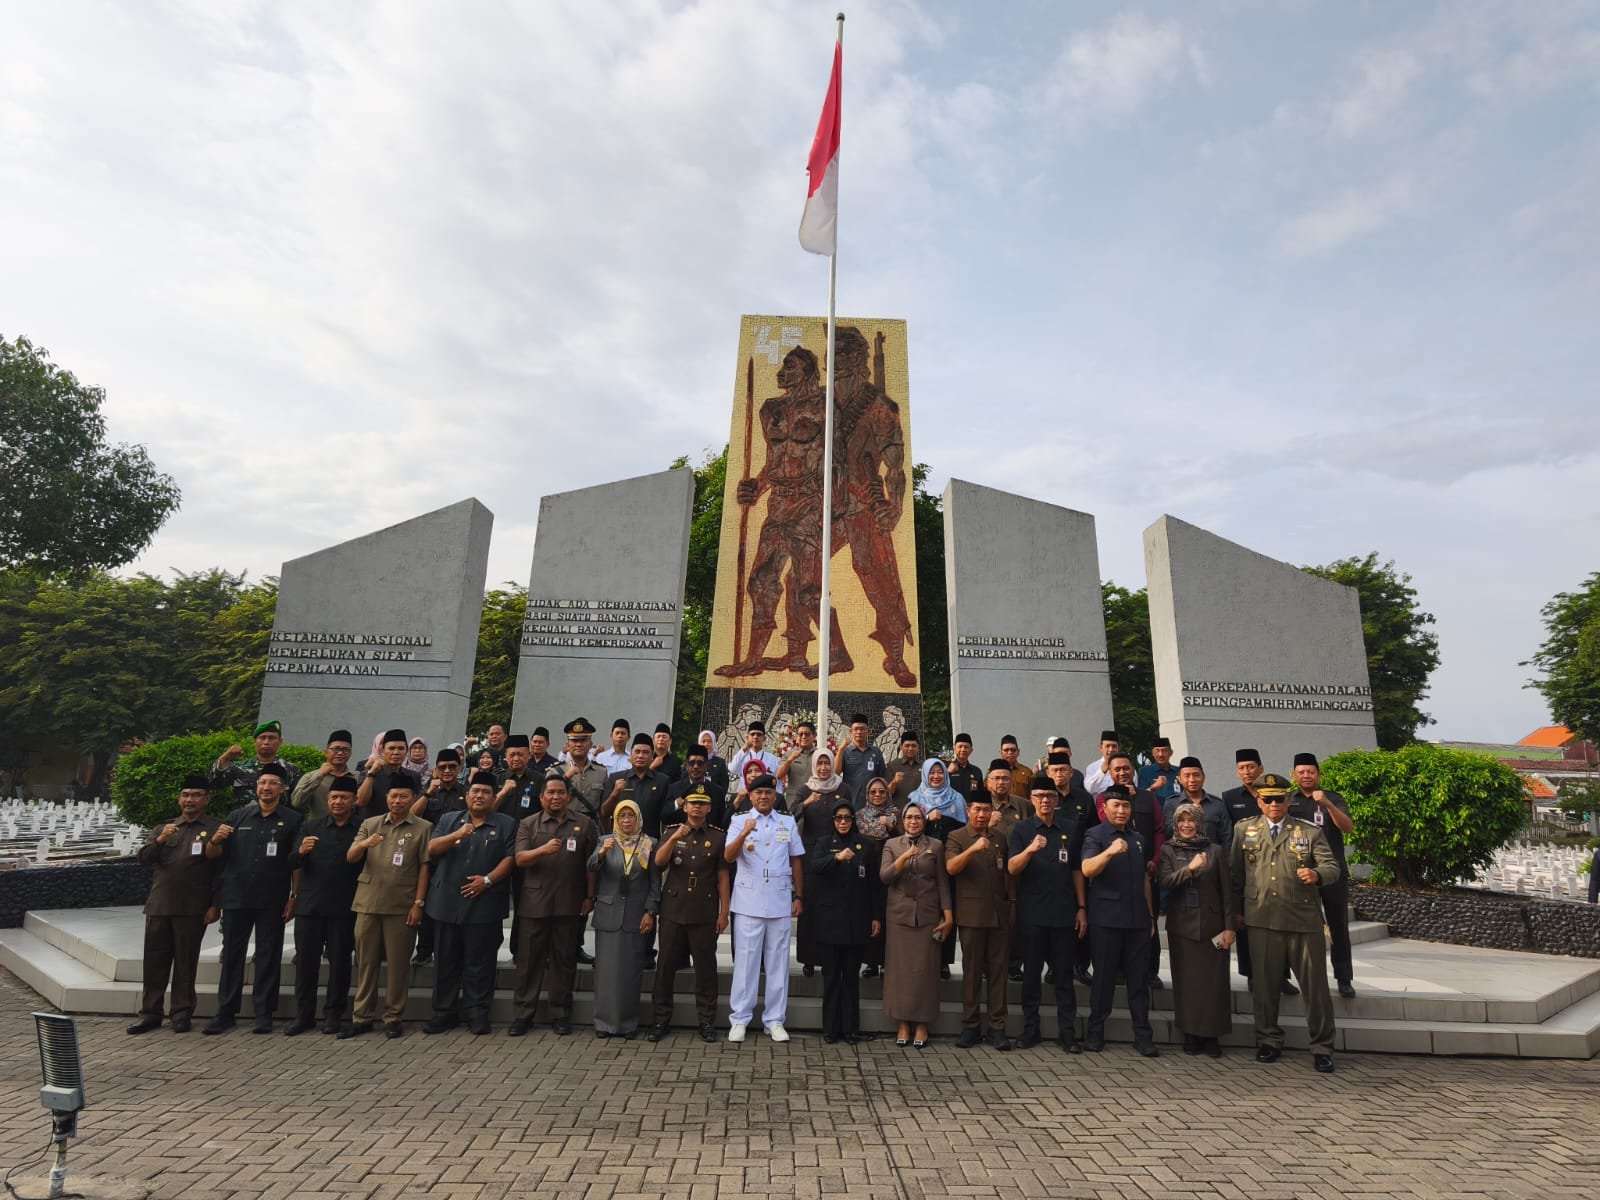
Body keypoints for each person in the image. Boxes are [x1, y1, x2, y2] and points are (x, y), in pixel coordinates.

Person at [1229, 773, 1340, 1073]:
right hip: (1261, 918)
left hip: (1302, 919)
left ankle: (1322, 1046)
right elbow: (1235, 875)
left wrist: (1318, 875)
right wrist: (1235, 913)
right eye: (1268, 799)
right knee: (1264, 987)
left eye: (1280, 798)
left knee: (1314, 987)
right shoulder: (1244, 829)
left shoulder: (1309, 831)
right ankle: (1268, 1040)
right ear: (1259, 801)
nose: (1274, 804)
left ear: (1288, 800)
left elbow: (1332, 866)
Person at [203, 762, 304, 1035]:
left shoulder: (293, 820)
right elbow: (214, 856)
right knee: (233, 954)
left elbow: (297, 862)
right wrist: (214, 840)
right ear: (256, 787)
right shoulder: (237, 817)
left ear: (282, 789)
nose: (266, 787)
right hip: (236, 896)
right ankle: (225, 1011)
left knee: (268, 954)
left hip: (272, 897)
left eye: (273, 783)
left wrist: (294, 895)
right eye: (262, 783)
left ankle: (263, 1012)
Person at [128, 774, 222, 1035]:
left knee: (185, 963)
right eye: (185, 794)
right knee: (154, 963)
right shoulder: (164, 828)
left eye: (196, 795)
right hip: (159, 905)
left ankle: (181, 1013)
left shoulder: (214, 829)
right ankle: (150, 1013)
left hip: (193, 908)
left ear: (206, 799)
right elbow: (143, 858)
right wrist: (159, 840)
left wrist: (216, 905)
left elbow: (221, 871)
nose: (189, 800)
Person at [423, 770, 515, 1035]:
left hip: (484, 904)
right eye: (475, 791)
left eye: (486, 792)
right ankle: (444, 1012)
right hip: (446, 903)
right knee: (446, 962)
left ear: (493, 796)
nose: (479, 796)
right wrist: (457, 835)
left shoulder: (506, 823)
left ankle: (477, 1012)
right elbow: (431, 849)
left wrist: (486, 881)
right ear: (466, 796)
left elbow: (510, 859)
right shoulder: (449, 820)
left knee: (480, 963)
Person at [341, 777, 432, 1038]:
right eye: (393, 796)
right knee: (366, 962)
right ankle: (362, 1016)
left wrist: (419, 903)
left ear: (413, 798)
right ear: (386, 798)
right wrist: (363, 844)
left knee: (398, 964)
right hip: (368, 902)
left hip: (402, 904)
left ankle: (393, 1017)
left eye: (404, 796)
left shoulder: (423, 827)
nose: (398, 801)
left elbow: (425, 866)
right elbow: (350, 857)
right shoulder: (370, 824)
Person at [508, 775, 597, 1036]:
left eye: (561, 792)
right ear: (542, 797)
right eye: (551, 793)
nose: (556, 797)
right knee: (529, 962)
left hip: (569, 902)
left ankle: (560, 1013)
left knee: (564, 960)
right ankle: (524, 1014)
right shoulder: (528, 824)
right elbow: (520, 859)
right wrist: (542, 850)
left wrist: (589, 896)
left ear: (568, 797)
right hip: (535, 902)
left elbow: (591, 866)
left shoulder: (584, 824)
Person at [724, 774, 804, 1042]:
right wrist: (745, 832)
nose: (763, 797)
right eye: (758, 793)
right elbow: (728, 855)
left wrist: (799, 895)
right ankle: (740, 1018)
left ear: (775, 795)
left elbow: (796, 860)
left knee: (778, 963)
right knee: (746, 962)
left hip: (779, 900)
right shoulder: (738, 821)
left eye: (768, 793)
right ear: (750, 796)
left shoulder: (787, 821)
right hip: (748, 900)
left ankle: (774, 1020)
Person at [1080, 785, 1158, 1056]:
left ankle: (1143, 1035)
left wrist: (1150, 917)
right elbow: (1087, 869)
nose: (1122, 810)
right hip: (1107, 920)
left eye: (1126, 806)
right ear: (1105, 808)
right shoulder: (1095, 834)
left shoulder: (1138, 839)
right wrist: (1110, 852)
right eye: (1117, 806)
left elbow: (1144, 880)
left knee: (1139, 981)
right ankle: (1095, 1032)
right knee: (1103, 980)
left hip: (1137, 919)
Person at [1008, 780, 1085, 1052]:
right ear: (1031, 799)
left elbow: (1076, 870)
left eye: (1050, 796)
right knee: (1031, 976)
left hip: (1064, 912)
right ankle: (1031, 1030)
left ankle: (1068, 1033)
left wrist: (1082, 908)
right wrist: (1030, 849)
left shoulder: (1070, 828)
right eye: (1039, 796)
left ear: (1056, 799)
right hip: (1033, 914)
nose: (1045, 801)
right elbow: (1013, 868)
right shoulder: (1022, 829)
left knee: (1064, 975)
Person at [648, 785, 729, 1043]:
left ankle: (706, 1020)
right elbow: (659, 863)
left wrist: (724, 911)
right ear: (684, 806)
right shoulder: (671, 832)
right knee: (665, 968)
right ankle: (661, 1020)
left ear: (709, 808)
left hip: (704, 911)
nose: (697, 807)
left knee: (706, 969)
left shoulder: (718, 837)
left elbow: (722, 877)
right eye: (692, 803)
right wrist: (673, 838)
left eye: (702, 803)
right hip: (673, 909)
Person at [283, 774, 363, 1036]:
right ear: (327, 800)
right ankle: (303, 1015)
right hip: (310, 906)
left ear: (354, 800)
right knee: (306, 963)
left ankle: (333, 1015)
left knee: (340, 964)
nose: (338, 802)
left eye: (344, 797)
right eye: (334, 797)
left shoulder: (361, 829)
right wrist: (302, 852)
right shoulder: (311, 827)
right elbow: (292, 862)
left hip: (344, 907)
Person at [1158, 802, 1235, 1057]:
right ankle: (1190, 1034)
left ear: (1200, 823)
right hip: (1182, 927)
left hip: (1212, 927)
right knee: (1187, 983)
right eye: (1182, 821)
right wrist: (1189, 870)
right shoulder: (1169, 850)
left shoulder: (1215, 851)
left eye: (1192, 821)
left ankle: (1212, 1035)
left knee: (1214, 983)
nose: (1187, 825)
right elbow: (1166, 882)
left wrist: (1229, 927)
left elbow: (1227, 892)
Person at [807, 800, 881, 1043]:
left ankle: (851, 1030)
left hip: (856, 921)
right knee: (831, 979)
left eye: (847, 818)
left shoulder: (866, 845)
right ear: (832, 820)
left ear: (853, 820)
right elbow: (815, 867)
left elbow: (873, 886)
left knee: (851, 979)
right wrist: (837, 858)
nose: (842, 822)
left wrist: (875, 916)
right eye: (838, 818)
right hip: (830, 922)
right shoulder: (823, 843)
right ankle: (830, 1029)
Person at [880, 802, 953, 1047]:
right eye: (909, 817)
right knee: (899, 972)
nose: (913, 821)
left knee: (925, 971)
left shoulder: (936, 846)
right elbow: (885, 877)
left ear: (925, 820)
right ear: (902, 820)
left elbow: (943, 882)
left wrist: (948, 915)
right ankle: (902, 1023)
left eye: (918, 818)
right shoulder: (892, 845)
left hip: (927, 915)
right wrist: (904, 857)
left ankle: (922, 1025)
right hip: (899, 916)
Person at [945, 793, 1012, 1050]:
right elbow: (951, 867)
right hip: (971, 914)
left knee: (998, 973)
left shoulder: (1000, 838)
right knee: (971, 973)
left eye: (986, 810)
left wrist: (1011, 903)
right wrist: (973, 848)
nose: (982, 815)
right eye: (977, 810)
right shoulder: (957, 837)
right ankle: (970, 1025)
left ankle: (997, 1026)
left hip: (998, 912)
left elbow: (1006, 873)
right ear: (968, 810)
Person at [1288, 752, 1358, 998]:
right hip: (1300, 873)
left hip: (1332, 871)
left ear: (1318, 774)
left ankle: (1344, 977)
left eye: (1311, 771)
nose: (1306, 775)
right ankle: (1296, 977)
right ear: (1294, 775)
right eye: (1301, 772)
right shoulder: (1288, 800)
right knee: (1297, 926)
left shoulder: (1333, 798)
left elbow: (1348, 827)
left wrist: (1327, 804)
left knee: (1338, 925)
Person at [588, 798, 657, 1039]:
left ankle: (628, 1024)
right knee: (606, 972)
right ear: (615, 820)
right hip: (609, 913)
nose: (626, 820)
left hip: (636, 916)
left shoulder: (650, 844)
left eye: (631, 816)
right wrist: (600, 854)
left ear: (638, 818)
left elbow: (654, 883)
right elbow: (591, 868)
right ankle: (603, 1022)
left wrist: (650, 912)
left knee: (630, 972)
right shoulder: (605, 842)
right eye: (622, 816)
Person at [411, 746, 469, 966]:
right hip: (431, 856)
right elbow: (411, 816)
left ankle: (453, 951)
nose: (447, 771)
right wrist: (427, 793)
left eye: (452, 767)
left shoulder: (467, 792)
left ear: (459, 768)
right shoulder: (427, 791)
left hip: (458, 855)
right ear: (436, 769)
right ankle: (424, 950)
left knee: (455, 902)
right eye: (442, 767)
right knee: (426, 902)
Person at [791, 747, 845, 977]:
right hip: (810, 853)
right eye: (820, 764)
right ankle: (809, 959)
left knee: (833, 905)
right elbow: (790, 813)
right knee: (810, 905)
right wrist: (807, 804)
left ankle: (830, 957)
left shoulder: (843, 788)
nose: (823, 768)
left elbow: (849, 815)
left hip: (837, 852)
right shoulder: (805, 789)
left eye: (827, 763)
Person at [853, 775, 897, 977]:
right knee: (870, 914)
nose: (877, 795)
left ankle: (887, 961)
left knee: (887, 915)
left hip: (890, 869)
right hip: (867, 869)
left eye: (882, 791)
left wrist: (891, 825)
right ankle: (870, 962)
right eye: (873, 792)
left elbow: (903, 837)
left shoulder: (896, 813)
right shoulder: (860, 815)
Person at [210, 719, 303, 809]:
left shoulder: (290, 770)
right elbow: (215, 784)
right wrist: (226, 757)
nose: (266, 742)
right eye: (262, 738)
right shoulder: (240, 767)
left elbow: (297, 801)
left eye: (271, 738)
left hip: (277, 821)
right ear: (255, 742)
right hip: (245, 821)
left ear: (280, 741)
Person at [604, 733, 671, 836]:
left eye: (645, 752)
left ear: (652, 756)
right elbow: (604, 813)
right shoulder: (616, 778)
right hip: (620, 841)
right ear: (631, 755)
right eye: (637, 751)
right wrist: (614, 794)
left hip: (649, 841)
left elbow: (666, 816)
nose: (640, 756)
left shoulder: (662, 781)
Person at [1162, 757, 1231, 849]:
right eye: (1187, 776)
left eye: (1196, 775)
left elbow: (1227, 837)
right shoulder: (1171, 803)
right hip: (1181, 860)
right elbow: (1167, 833)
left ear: (1203, 777)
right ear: (1180, 779)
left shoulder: (1217, 804)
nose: (1192, 780)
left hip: (1212, 859)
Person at [290, 729, 356, 821]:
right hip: (317, 830)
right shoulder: (310, 776)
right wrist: (320, 775)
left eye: (345, 750)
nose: (340, 753)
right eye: (336, 749)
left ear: (350, 753)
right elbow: (296, 802)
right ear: (326, 752)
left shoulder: (356, 777)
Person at [665, 746, 728, 829]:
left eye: (700, 763)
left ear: (706, 766)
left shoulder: (717, 791)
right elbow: (664, 817)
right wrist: (677, 804)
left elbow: (721, 821)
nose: (695, 766)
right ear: (686, 765)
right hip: (680, 837)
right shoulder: (674, 788)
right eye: (692, 763)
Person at [356, 729, 410, 819]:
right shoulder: (367, 774)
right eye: (391, 748)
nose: (396, 752)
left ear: (406, 752)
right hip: (372, 829)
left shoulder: (412, 776)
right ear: (382, 751)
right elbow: (360, 802)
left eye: (401, 748)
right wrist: (371, 775)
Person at [839, 714, 886, 807]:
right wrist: (840, 749)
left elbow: (882, 778)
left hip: (872, 805)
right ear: (850, 732)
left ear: (868, 731)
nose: (859, 732)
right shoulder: (846, 752)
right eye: (856, 729)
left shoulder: (876, 752)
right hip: (850, 803)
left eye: (862, 729)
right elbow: (836, 772)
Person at [495, 733, 545, 820]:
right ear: (505, 756)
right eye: (512, 755)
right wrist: (503, 792)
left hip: (529, 830)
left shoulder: (540, 779)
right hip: (501, 830)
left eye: (520, 754)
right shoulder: (496, 779)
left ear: (529, 755)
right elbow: (487, 809)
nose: (516, 759)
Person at [729, 722, 781, 795]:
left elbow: (777, 782)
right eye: (752, 734)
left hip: (765, 799)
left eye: (759, 734)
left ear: (765, 738)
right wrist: (744, 748)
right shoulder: (741, 756)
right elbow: (732, 769)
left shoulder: (773, 759)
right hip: (745, 798)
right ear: (747, 737)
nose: (755, 737)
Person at [945, 733, 985, 809]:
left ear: (971, 750)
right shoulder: (946, 769)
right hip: (951, 812)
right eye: (960, 746)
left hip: (971, 813)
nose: (963, 750)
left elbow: (981, 795)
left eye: (966, 747)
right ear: (954, 748)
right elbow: (938, 788)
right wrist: (948, 773)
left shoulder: (976, 771)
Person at [776, 720, 818, 792]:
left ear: (814, 736)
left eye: (807, 734)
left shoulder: (819, 754)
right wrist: (790, 760)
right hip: (794, 799)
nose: (803, 737)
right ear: (797, 736)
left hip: (815, 797)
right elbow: (779, 775)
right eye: (800, 734)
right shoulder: (789, 754)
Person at [885, 733, 922, 808]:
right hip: (899, 812)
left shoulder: (925, 766)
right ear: (901, 747)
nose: (910, 748)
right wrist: (894, 782)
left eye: (914, 746)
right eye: (907, 745)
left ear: (918, 747)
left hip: (920, 812)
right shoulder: (892, 766)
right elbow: (887, 793)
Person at [1082, 731, 1121, 797]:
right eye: (1107, 746)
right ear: (1101, 747)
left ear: (1118, 748)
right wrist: (1102, 771)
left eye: (1114, 746)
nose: (1111, 749)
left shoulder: (1127, 767)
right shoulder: (1092, 767)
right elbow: (1089, 789)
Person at [698, 729, 731, 794]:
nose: (706, 744)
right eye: (703, 741)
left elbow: (724, 785)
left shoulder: (720, 763)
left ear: (713, 743)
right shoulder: (693, 761)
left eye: (709, 741)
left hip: (714, 800)